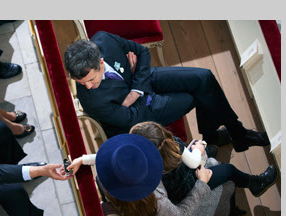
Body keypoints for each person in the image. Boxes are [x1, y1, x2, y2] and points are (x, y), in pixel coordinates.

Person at [64, 31, 270, 153]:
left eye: (91, 79)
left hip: (141, 82)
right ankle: (221, 137)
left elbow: (142, 52)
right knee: (199, 94)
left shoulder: (103, 39)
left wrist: (135, 87)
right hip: (141, 114)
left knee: (204, 78)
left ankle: (231, 133)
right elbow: (129, 118)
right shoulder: (91, 99)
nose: (87, 86)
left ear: (101, 62)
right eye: (81, 82)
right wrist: (136, 82)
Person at [66, 134, 245, 216]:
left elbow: (112, 159)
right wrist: (201, 184)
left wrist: (83, 159)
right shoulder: (156, 203)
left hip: (146, 209)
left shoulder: (111, 178)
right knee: (224, 184)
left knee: (205, 163)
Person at [129, 121, 278, 203]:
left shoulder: (143, 161)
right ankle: (256, 183)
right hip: (189, 186)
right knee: (229, 170)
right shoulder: (175, 146)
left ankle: (209, 149)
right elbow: (193, 163)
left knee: (199, 150)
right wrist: (199, 150)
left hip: (172, 190)